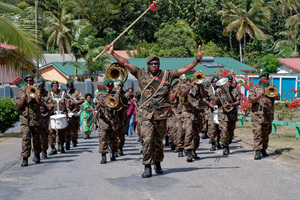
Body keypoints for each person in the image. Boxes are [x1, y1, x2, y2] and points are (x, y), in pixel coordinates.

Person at [105, 44, 204, 178]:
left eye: (156, 63)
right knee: (147, 139)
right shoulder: (141, 74)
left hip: (161, 115)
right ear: (148, 65)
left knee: (158, 141)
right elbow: (126, 63)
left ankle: (157, 162)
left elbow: (185, 69)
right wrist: (112, 53)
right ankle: (147, 165)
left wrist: (197, 59)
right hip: (146, 115)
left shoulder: (167, 75)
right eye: (152, 63)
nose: (154, 65)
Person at [249, 71, 280, 160]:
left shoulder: (271, 88)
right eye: (264, 79)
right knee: (257, 132)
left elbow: (278, 97)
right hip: (257, 115)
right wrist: (259, 96)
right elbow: (251, 99)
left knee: (266, 133)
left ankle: (263, 149)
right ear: (260, 79)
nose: (266, 81)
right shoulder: (254, 88)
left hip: (268, 115)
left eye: (267, 79)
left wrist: (272, 94)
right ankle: (257, 151)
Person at [15, 74, 44, 167]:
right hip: (25, 119)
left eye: (30, 81)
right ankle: (25, 158)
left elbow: (40, 103)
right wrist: (24, 97)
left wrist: (34, 94)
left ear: (33, 82)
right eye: (27, 81)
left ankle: (36, 155)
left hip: (35, 119)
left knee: (36, 138)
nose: (28, 82)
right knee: (26, 138)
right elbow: (18, 106)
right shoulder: (20, 91)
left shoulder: (37, 91)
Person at [94, 79, 120, 164]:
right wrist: (99, 104)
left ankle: (113, 153)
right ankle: (103, 156)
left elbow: (118, 107)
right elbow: (96, 108)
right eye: (108, 86)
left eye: (111, 86)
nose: (109, 88)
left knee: (113, 138)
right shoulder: (100, 95)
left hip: (113, 120)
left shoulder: (115, 94)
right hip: (103, 121)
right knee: (103, 138)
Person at [215, 75, 240, 155]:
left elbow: (238, 102)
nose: (228, 83)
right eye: (227, 81)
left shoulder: (235, 90)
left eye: (229, 81)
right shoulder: (219, 90)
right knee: (224, 130)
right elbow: (215, 103)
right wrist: (220, 95)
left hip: (232, 114)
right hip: (223, 114)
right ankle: (225, 147)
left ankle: (228, 142)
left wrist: (231, 105)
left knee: (230, 132)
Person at [47, 81, 70, 155]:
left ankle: (61, 146)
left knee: (61, 132)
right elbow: (46, 104)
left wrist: (68, 103)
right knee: (51, 132)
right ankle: (53, 148)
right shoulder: (49, 95)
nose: (55, 87)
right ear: (51, 87)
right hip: (52, 116)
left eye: (56, 85)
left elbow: (67, 106)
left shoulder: (63, 94)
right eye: (53, 85)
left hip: (61, 115)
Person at [203, 76, 221, 151]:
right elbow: (204, 99)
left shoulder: (221, 90)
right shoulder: (208, 90)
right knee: (212, 128)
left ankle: (218, 142)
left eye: (216, 82)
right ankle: (213, 143)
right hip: (211, 111)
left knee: (219, 128)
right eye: (213, 82)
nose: (215, 84)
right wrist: (209, 104)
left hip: (220, 111)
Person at [66, 80, 84, 148]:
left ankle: (74, 140)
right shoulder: (65, 93)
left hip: (75, 112)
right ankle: (67, 142)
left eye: (71, 86)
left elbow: (82, 100)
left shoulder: (77, 92)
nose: (70, 88)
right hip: (67, 112)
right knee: (67, 128)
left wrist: (74, 103)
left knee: (74, 128)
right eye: (68, 86)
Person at [36, 79, 50, 159]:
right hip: (35, 118)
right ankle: (37, 152)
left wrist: (44, 110)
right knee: (36, 136)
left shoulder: (47, 94)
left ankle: (44, 150)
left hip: (45, 117)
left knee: (44, 135)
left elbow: (51, 106)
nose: (40, 87)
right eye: (39, 86)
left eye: (42, 86)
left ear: (44, 85)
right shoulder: (34, 93)